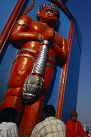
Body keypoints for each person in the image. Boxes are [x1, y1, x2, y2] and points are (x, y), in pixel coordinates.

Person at [0, 2, 67, 135]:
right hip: (27, 55)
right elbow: (15, 35)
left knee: (39, 98)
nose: (52, 15)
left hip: (49, 63)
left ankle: (27, 132)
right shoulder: (28, 20)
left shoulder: (61, 39)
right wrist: (40, 37)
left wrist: (53, 44)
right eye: (49, 11)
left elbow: (63, 58)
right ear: (39, 13)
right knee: (16, 91)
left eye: (56, 14)